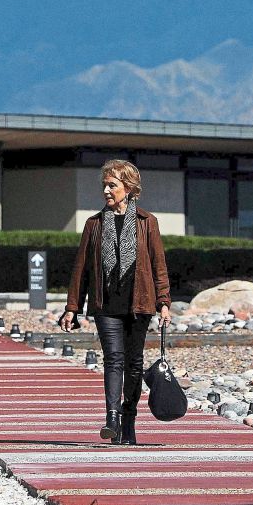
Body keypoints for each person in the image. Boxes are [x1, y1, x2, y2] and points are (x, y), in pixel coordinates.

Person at [60, 160, 171, 445]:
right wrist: (72, 307)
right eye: (105, 186)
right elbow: (81, 267)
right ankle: (111, 417)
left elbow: (159, 266)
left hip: (140, 304)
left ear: (129, 188)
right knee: (113, 360)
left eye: (113, 185)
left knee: (134, 364)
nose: (107, 191)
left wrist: (164, 303)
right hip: (106, 304)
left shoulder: (148, 223)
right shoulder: (94, 224)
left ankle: (129, 419)